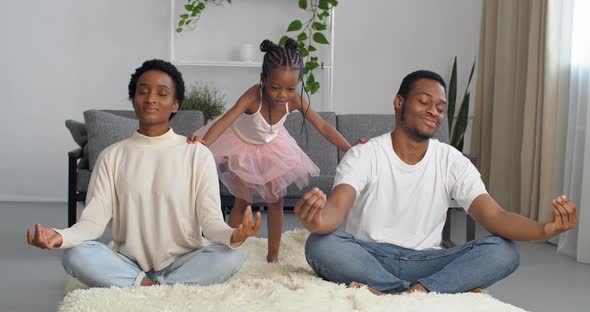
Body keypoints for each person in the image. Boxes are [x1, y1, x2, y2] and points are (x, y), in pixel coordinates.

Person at [294, 70, 578, 294]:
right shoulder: (364, 154)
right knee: (320, 245)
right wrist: (318, 221)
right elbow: (336, 210)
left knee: (503, 251)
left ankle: (403, 291)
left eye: (440, 107)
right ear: (399, 102)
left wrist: (544, 229)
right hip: (370, 256)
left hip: (428, 262)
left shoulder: (451, 160)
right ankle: (424, 292)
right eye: (424, 101)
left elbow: (495, 216)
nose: (434, 111)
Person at [26, 59, 261, 287]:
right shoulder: (111, 156)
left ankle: (144, 286)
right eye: (143, 91)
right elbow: (93, 222)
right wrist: (60, 236)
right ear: (134, 98)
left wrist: (234, 235)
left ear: (176, 104)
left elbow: (210, 222)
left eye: (161, 93)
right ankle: (160, 287)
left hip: (184, 261)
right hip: (127, 262)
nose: (150, 99)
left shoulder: (197, 154)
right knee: (73, 254)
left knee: (232, 256)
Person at [187, 38, 353, 263]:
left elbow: (323, 126)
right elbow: (225, 121)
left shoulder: (294, 99)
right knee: (242, 201)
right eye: (275, 87)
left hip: (272, 147)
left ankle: (273, 255)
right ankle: (226, 248)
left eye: (290, 88)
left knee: (276, 201)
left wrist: (350, 149)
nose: (282, 94)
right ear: (262, 79)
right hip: (241, 145)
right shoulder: (253, 96)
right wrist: (204, 143)